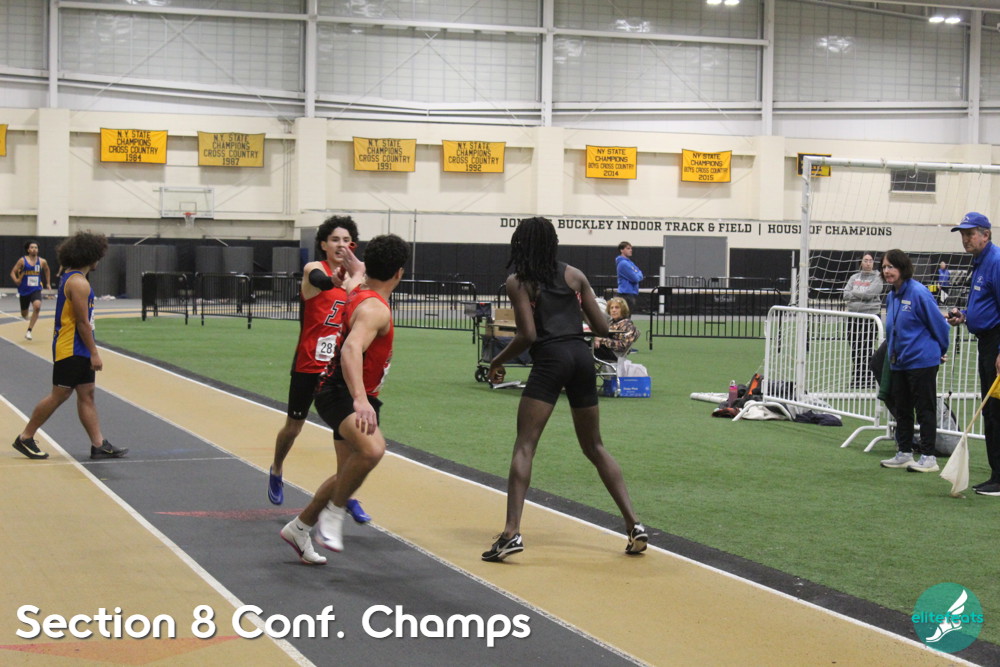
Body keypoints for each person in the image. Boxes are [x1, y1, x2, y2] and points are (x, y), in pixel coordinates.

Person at [482, 217, 646, 562]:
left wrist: (496, 361)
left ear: (520, 245)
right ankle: (634, 525)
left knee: (525, 445)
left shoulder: (518, 282)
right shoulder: (574, 275)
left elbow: (527, 335)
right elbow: (601, 326)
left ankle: (511, 533)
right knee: (595, 446)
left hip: (551, 360)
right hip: (581, 359)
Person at [280, 234, 409, 565]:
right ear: (399, 273)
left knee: (347, 473)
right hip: (342, 392)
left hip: (355, 392)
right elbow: (351, 348)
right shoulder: (375, 309)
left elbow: (356, 277)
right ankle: (334, 514)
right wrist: (360, 400)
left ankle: (299, 527)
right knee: (372, 450)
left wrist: (356, 269)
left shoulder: (359, 289)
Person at [266, 216, 371, 525]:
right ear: (324, 244)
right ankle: (276, 468)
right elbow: (319, 281)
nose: (341, 245)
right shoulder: (315, 269)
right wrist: (335, 281)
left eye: (346, 240)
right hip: (309, 364)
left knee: (345, 435)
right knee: (293, 427)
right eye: (335, 239)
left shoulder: (358, 281)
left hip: (339, 370)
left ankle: (346, 494)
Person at [12, 232, 128, 461]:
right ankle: (25, 437)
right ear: (89, 256)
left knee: (87, 393)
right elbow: (83, 323)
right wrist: (94, 353)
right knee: (59, 394)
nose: (99, 260)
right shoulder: (78, 283)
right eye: (98, 255)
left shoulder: (73, 277)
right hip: (71, 348)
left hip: (78, 347)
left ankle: (98, 444)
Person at [878, 249, 950, 473]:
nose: (887, 271)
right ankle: (905, 452)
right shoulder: (891, 296)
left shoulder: (919, 292)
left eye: (891, 266)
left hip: (922, 361)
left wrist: (940, 350)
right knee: (902, 409)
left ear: (902, 268)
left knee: (925, 409)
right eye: (884, 267)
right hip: (899, 362)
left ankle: (929, 457)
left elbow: (939, 324)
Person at [946, 212, 1000, 495]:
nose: (965, 239)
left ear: (985, 235)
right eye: (963, 234)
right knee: (991, 410)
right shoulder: (980, 262)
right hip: (987, 344)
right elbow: (986, 304)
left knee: (996, 411)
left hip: (996, 345)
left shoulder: (996, 262)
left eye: (970, 234)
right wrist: (965, 315)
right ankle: (996, 474)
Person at [842, 253, 883, 387]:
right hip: (854, 317)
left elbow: (869, 295)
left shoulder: (878, 277)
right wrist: (861, 295)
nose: (868, 263)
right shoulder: (854, 277)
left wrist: (854, 293)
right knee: (855, 347)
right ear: (861, 262)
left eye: (870, 260)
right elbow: (845, 294)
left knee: (866, 348)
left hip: (870, 317)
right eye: (865, 260)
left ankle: (869, 378)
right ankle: (857, 378)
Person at [9, 240, 51, 341]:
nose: (34, 249)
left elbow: (47, 270)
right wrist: (16, 281)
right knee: (24, 314)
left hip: (36, 288)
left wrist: (48, 283)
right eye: (32, 247)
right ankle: (26, 316)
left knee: (37, 306)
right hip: (24, 290)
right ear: (28, 250)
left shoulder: (42, 261)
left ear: (38, 250)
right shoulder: (22, 261)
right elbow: (12, 272)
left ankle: (29, 331)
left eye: (36, 247)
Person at [593, 296, 639, 363]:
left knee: (585, 348)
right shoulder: (611, 322)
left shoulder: (628, 325)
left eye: (617, 307)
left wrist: (601, 340)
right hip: (605, 350)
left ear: (623, 310)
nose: (613, 310)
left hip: (615, 355)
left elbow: (623, 346)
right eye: (611, 308)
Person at [615, 241, 644, 314]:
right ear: (621, 250)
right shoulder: (623, 263)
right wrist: (638, 275)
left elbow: (640, 273)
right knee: (625, 316)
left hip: (630, 294)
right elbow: (635, 278)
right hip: (625, 295)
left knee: (627, 316)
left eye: (631, 248)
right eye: (628, 248)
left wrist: (638, 275)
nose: (631, 250)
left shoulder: (630, 263)